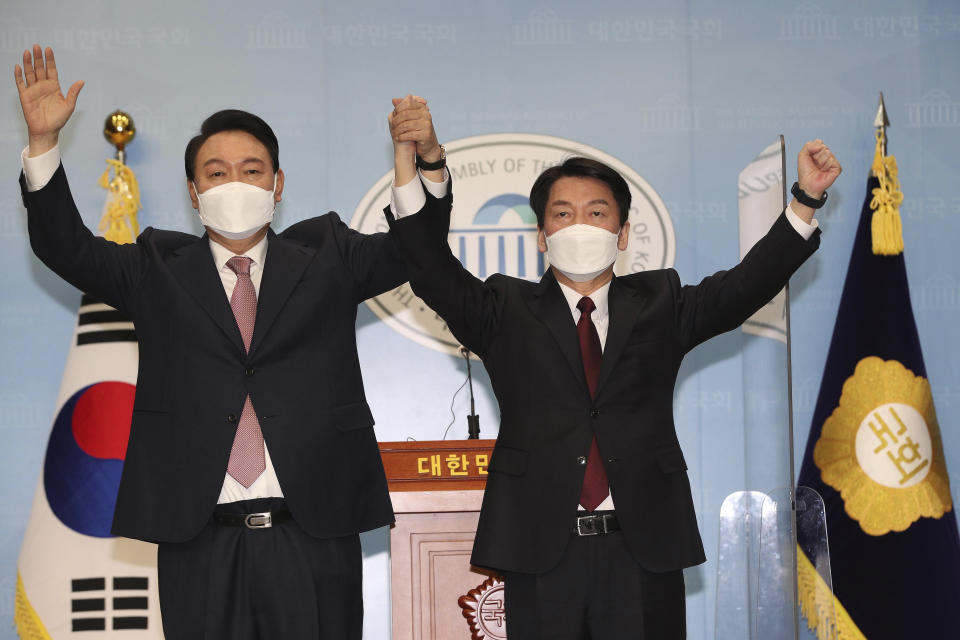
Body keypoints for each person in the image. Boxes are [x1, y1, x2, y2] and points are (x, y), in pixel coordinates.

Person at [14, 45, 447, 639]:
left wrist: (422, 160)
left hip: (313, 533)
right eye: (216, 173)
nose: (235, 183)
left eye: (252, 170)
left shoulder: (329, 254)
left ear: (278, 183)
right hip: (200, 540)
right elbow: (66, 247)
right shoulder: (156, 267)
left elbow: (416, 251)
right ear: (193, 192)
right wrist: (42, 144)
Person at [384, 97, 841, 638]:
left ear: (622, 236)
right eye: (563, 213)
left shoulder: (661, 301)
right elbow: (430, 268)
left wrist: (805, 198)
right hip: (540, 552)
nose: (580, 225)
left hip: (642, 550)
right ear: (541, 236)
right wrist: (421, 163)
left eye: (597, 213)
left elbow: (745, 286)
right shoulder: (502, 309)